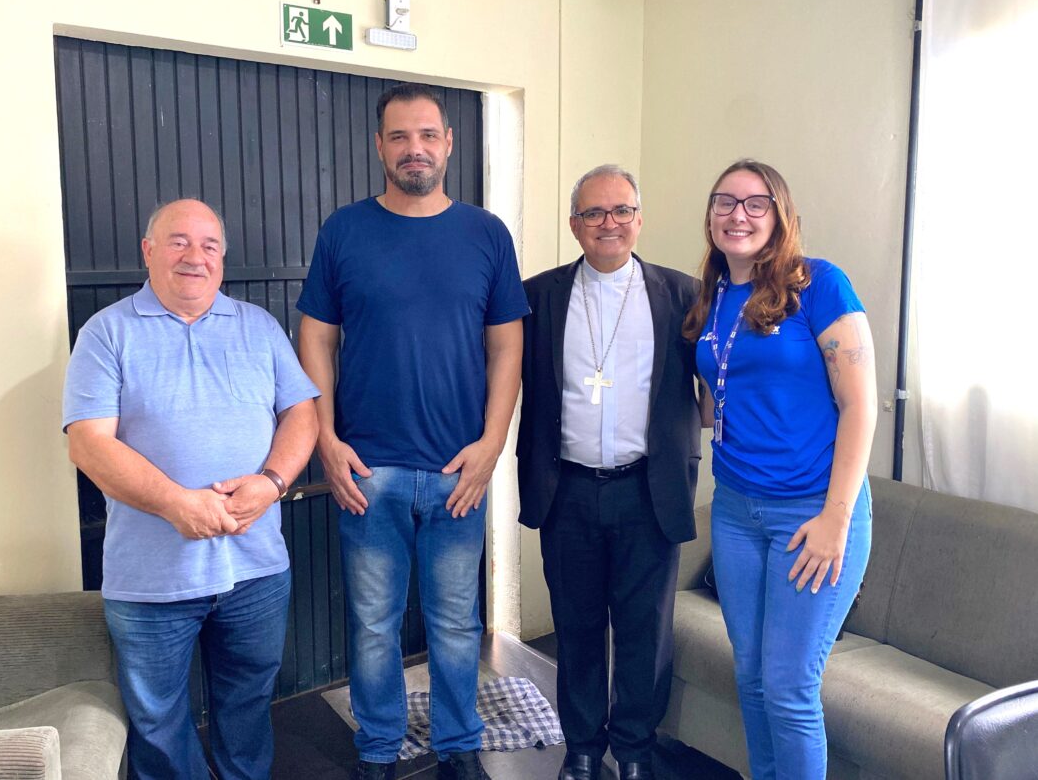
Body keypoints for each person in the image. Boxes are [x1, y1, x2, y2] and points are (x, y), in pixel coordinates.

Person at [297, 83, 529, 780]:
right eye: (399, 136)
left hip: (461, 470)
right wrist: (325, 438)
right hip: (369, 471)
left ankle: (457, 746)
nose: (414, 149)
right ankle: (377, 748)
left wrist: (493, 445)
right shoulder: (344, 230)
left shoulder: (487, 234)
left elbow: (507, 347)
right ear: (379, 146)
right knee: (373, 625)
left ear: (449, 143)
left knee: (457, 625)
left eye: (427, 135)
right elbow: (314, 336)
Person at [63, 198, 320, 779]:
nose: (195, 257)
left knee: (250, 704)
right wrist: (177, 504)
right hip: (151, 580)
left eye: (209, 246)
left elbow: (301, 413)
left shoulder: (257, 327)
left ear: (222, 259)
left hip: (255, 569)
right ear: (148, 251)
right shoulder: (107, 334)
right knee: (157, 722)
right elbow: (88, 444)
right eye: (178, 241)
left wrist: (273, 482)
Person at [684, 160, 876, 780]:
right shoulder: (711, 300)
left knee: (790, 687)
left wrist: (835, 520)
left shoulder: (819, 284)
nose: (738, 214)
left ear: (780, 215)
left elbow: (860, 406)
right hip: (737, 512)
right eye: (725, 202)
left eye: (755, 203)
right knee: (752, 678)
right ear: (710, 215)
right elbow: (718, 404)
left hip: (811, 513)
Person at [517, 165, 700, 780]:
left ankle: (636, 751)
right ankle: (584, 749)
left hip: (648, 489)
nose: (608, 224)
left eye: (621, 211)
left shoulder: (683, 295)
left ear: (639, 220)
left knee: (645, 633)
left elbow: (721, 381)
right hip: (566, 489)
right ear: (574, 225)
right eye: (594, 213)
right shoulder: (537, 296)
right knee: (576, 626)